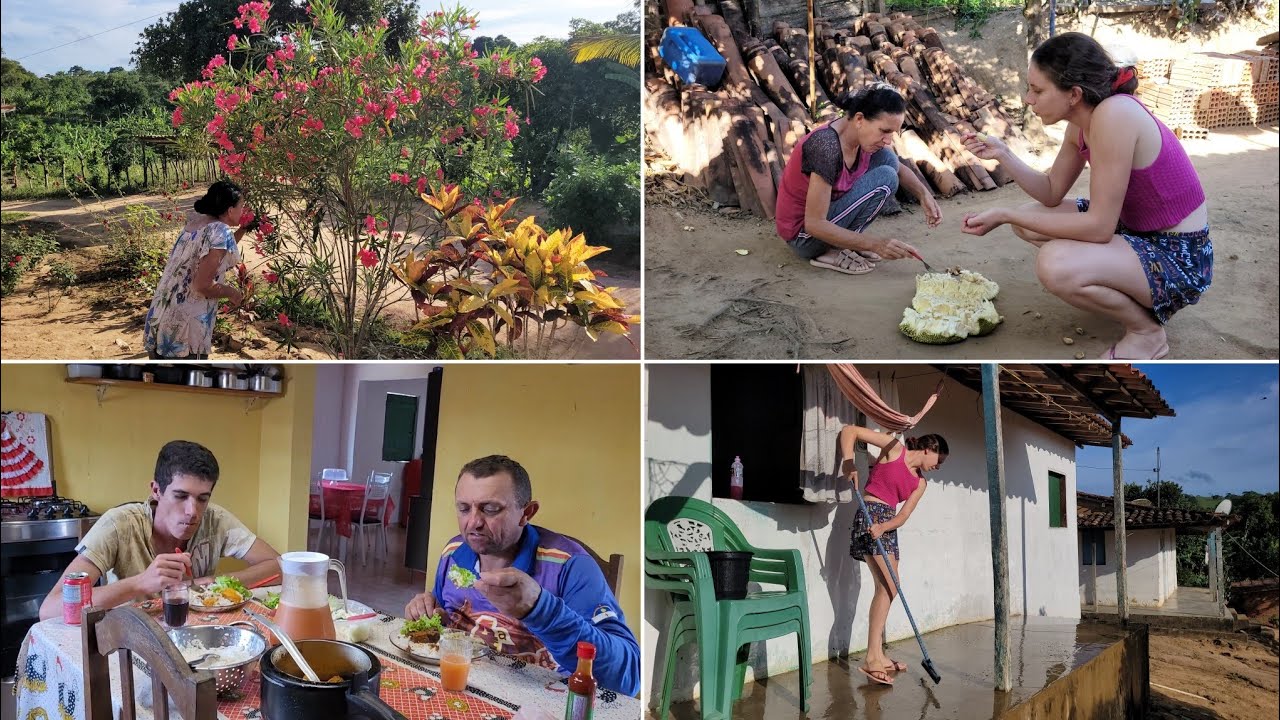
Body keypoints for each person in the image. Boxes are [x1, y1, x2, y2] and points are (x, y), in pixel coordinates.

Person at [959, 32, 1210, 360]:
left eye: (1037, 90)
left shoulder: (1115, 114)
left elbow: (1099, 228)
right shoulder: (1082, 121)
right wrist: (1003, 153)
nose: (1028, 100)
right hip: (1135, 231)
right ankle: (1118, 290)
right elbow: (1051, 193)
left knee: (1056, 263)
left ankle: (1147, 333)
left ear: (1074, 93)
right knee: (1032, 221)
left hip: (1178, 257)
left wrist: (1006, 214)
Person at [404, 455, 639, 695]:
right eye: (464, 508)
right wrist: (428, 612)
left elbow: (628, 678)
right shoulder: (453, 553)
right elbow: (443, 623)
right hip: (461, 692)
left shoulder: (572, 566)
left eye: (491, 509)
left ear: (527, 512)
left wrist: (540, 610)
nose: (473, 522)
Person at [38, 440, 281, 620]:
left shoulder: (215, 519)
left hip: (197, 633)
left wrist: (214, 583)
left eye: (202, 498)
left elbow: (280, 566)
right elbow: (50, 608)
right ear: (156, 490)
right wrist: (139, 584)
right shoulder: (118, 525)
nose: (192, 511)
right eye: (180, 496)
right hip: (130, 640)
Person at [775, 82, 942, 276]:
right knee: (886, 177)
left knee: (888, 159)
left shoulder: (860, 138)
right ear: (860, 119)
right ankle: (828, 250)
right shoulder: (826, 147)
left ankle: (847, 241)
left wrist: (924, 195)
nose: (889, 140)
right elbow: (814, 224)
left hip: (826, 218)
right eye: (884, 131)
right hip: (804, 237)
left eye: (892, 133)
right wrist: (875, 244)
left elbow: (899, 167)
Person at [838, 426, 948, 686]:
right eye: (939, 460)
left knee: (887, 588)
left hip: (886, 525)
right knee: (889, 586)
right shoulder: (893, 449)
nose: (939, 466)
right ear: (928, 449)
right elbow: (849, 431)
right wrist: (849, 462)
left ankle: (877, 654)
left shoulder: (920, 483)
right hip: (870, 514)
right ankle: (872, 658)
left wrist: (884, 527)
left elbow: (903, 515)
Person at [143, 180, 254, 359]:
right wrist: (232, 293)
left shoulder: (196, 224)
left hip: (162, 319)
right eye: (242, 206)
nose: (243, 211)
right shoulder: (220, 231)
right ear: (230, 210)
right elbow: (202, 285)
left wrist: (242, 229)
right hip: (185, 331)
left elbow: (213, 251)